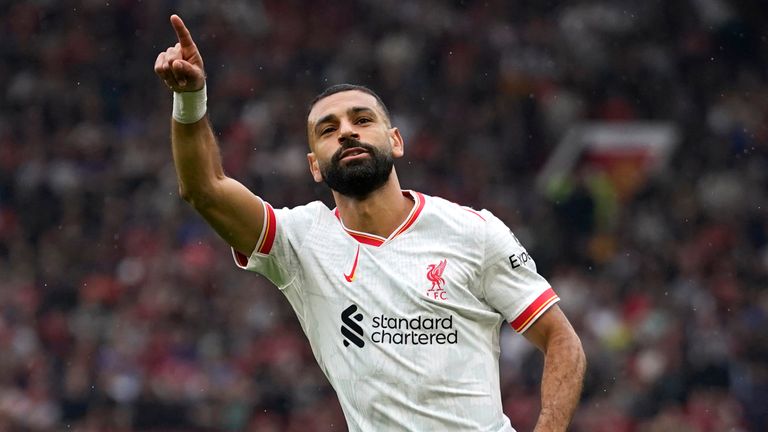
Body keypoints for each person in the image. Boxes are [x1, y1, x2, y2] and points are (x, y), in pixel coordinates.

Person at [154, 14, 586, 432]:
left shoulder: (474, 232)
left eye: (362, 120)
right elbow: (204, 188)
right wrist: (190, 100)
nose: (346, 132)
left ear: (395, 141)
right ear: (314, 167)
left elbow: (562, 341)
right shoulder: (300, 243)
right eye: (328, 129)